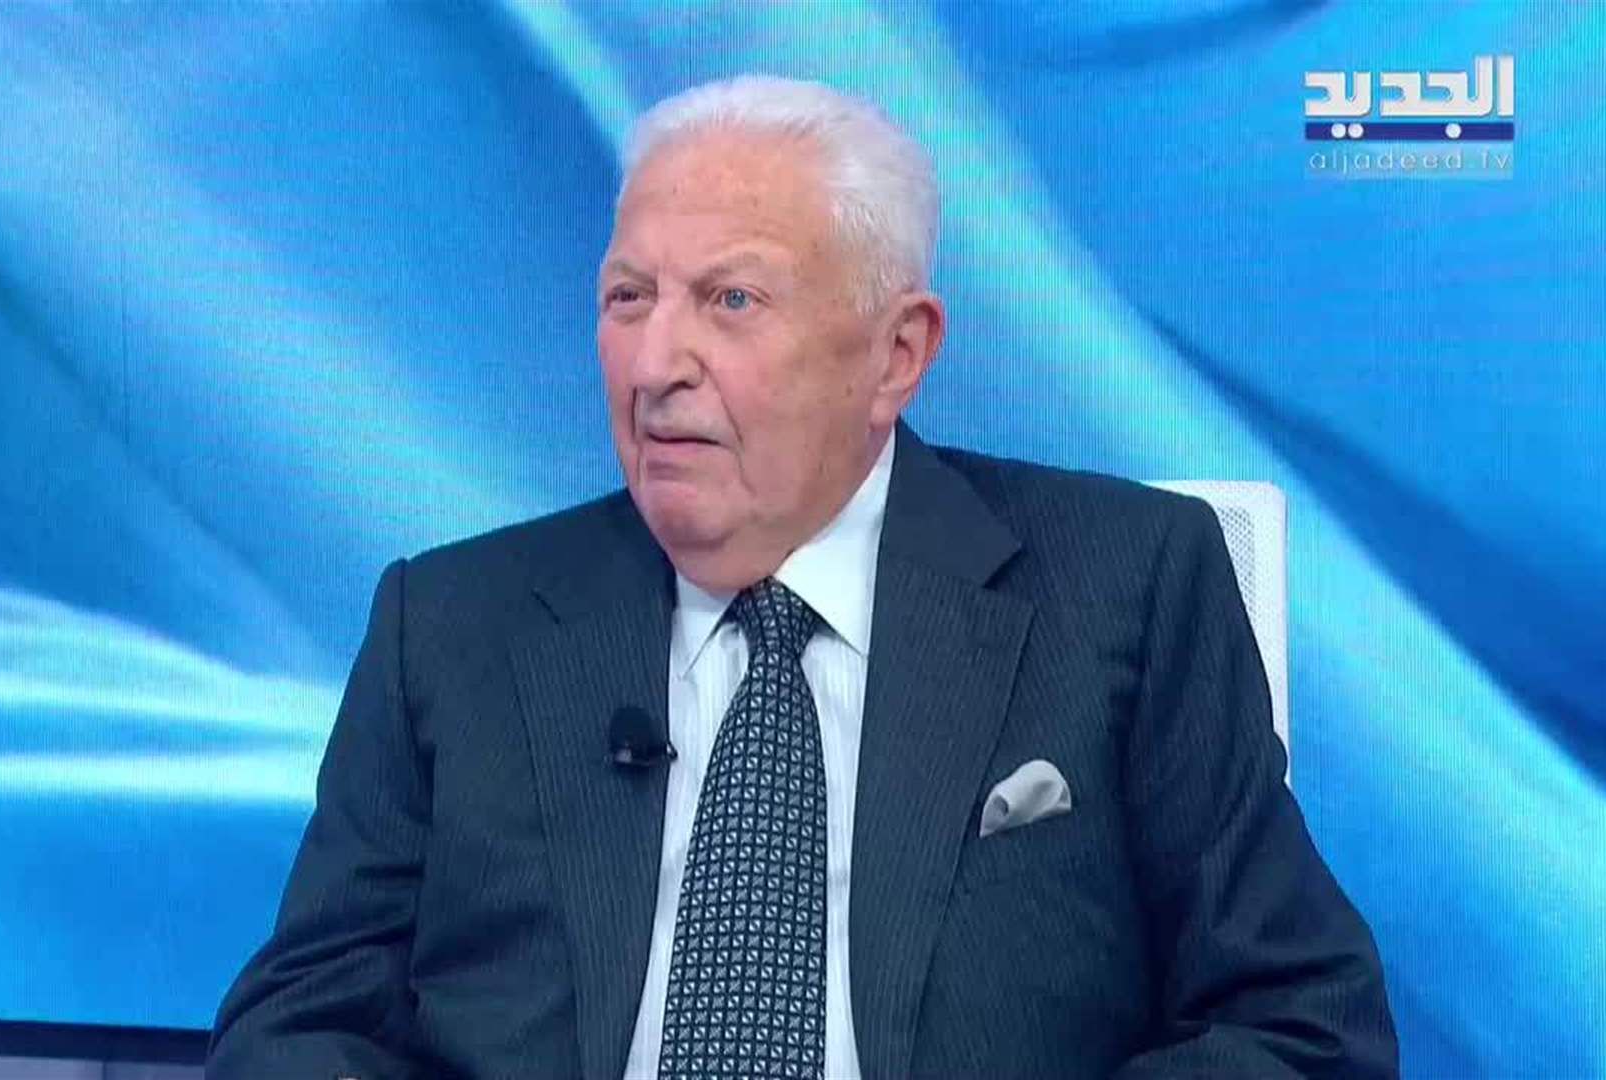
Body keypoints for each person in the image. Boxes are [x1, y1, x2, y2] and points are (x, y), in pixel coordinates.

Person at [207, 75, 1397, 1079]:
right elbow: (296, 1033)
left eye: (730, 299)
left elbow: (1301, 1025)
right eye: (629, 298)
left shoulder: (1124, 584)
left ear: (896, 354)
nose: (656, 363)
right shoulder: (451, 625)